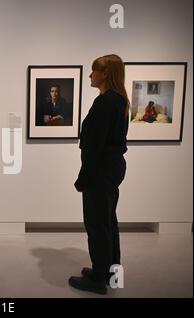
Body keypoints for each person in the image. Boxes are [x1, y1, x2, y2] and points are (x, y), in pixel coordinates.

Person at [70, 54, 129, 295]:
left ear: (104, 74)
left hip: (101, 170)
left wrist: (83, 178)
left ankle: (98, 277)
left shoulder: (106, 102)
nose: (90, 75)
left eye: (93, 71)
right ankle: (111, 272)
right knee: (108, 222)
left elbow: (95, 146)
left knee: (97, 224)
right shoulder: (117, 100)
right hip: (111, 168)